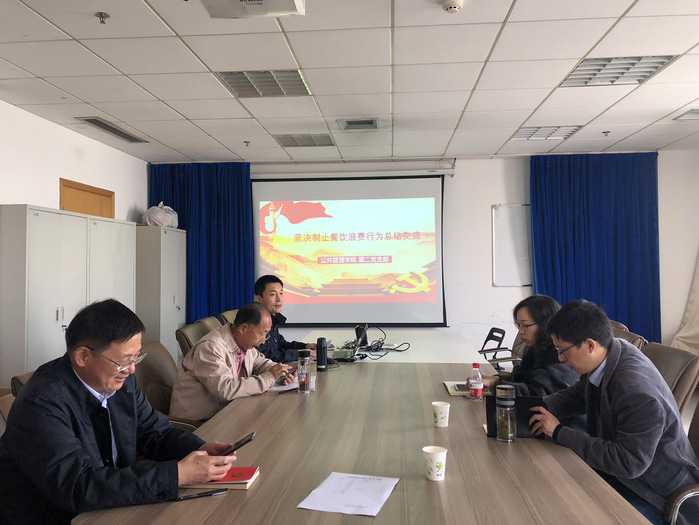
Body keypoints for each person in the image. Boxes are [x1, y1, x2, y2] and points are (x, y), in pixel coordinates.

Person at [0, 299, 236, 525]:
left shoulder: (119, 382)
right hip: (58, 517)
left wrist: (198, 449)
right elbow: (78, 487)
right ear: (83, 356)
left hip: (112, 504)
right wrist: (177, 475)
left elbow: (155, 432)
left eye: (136, 358)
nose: (131, 370)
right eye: (124, 361)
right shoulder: (40, 404)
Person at [530, 300, 699, 525]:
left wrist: (559, 431)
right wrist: (539, 406)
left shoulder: (636, 391)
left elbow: (628, 462)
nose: (560, 358)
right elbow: (579, 394)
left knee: (570, 509)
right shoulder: (609, 352)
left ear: (590, 345)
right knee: (549, 487)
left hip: (655, 494)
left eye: (563, 351)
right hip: (625, 476)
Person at [169, 302, 295, 422]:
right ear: (244, 328)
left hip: (227, 411)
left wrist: (280, 371)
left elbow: (260, 362)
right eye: (263, 334)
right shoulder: (211, 347)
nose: (264, 340)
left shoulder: (243, 342)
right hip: (201, 422)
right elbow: (226, 389)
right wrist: (269, 377)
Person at [482, 295, 579, 396]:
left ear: (544, 324)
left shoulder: (558, 355)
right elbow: (522, 375)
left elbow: (533, 393)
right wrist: (497, 379)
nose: (520, 331)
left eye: (525, 325)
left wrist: (494, 384)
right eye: (519, 325)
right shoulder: (538, 347)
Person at [254, 274, 316, 363]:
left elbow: (281, 344)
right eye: (273, 294)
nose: (279, 299)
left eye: (281, 293)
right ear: (259, 299)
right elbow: (264, 356)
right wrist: (298, 354)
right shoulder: (255, 321)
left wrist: (305, 347)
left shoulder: (272, 319)